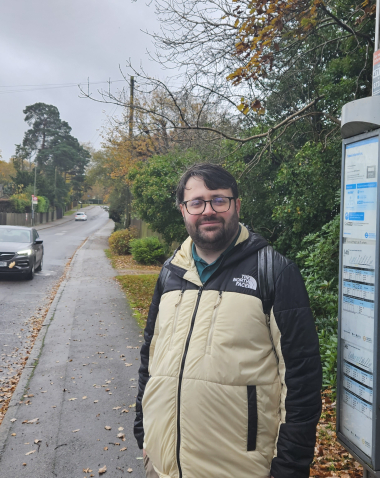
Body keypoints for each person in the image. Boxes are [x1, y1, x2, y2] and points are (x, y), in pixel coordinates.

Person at [134, 163, 322, 478]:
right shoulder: (170, 274)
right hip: (163, 466)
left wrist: (290, 466)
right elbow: (149, 356)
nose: (208, 210)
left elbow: (302, 379)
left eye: (219, 200)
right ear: (183, 210)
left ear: (236, 204)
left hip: (241, 469)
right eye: (196, 202)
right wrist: (143, 429)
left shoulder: (273, 272)